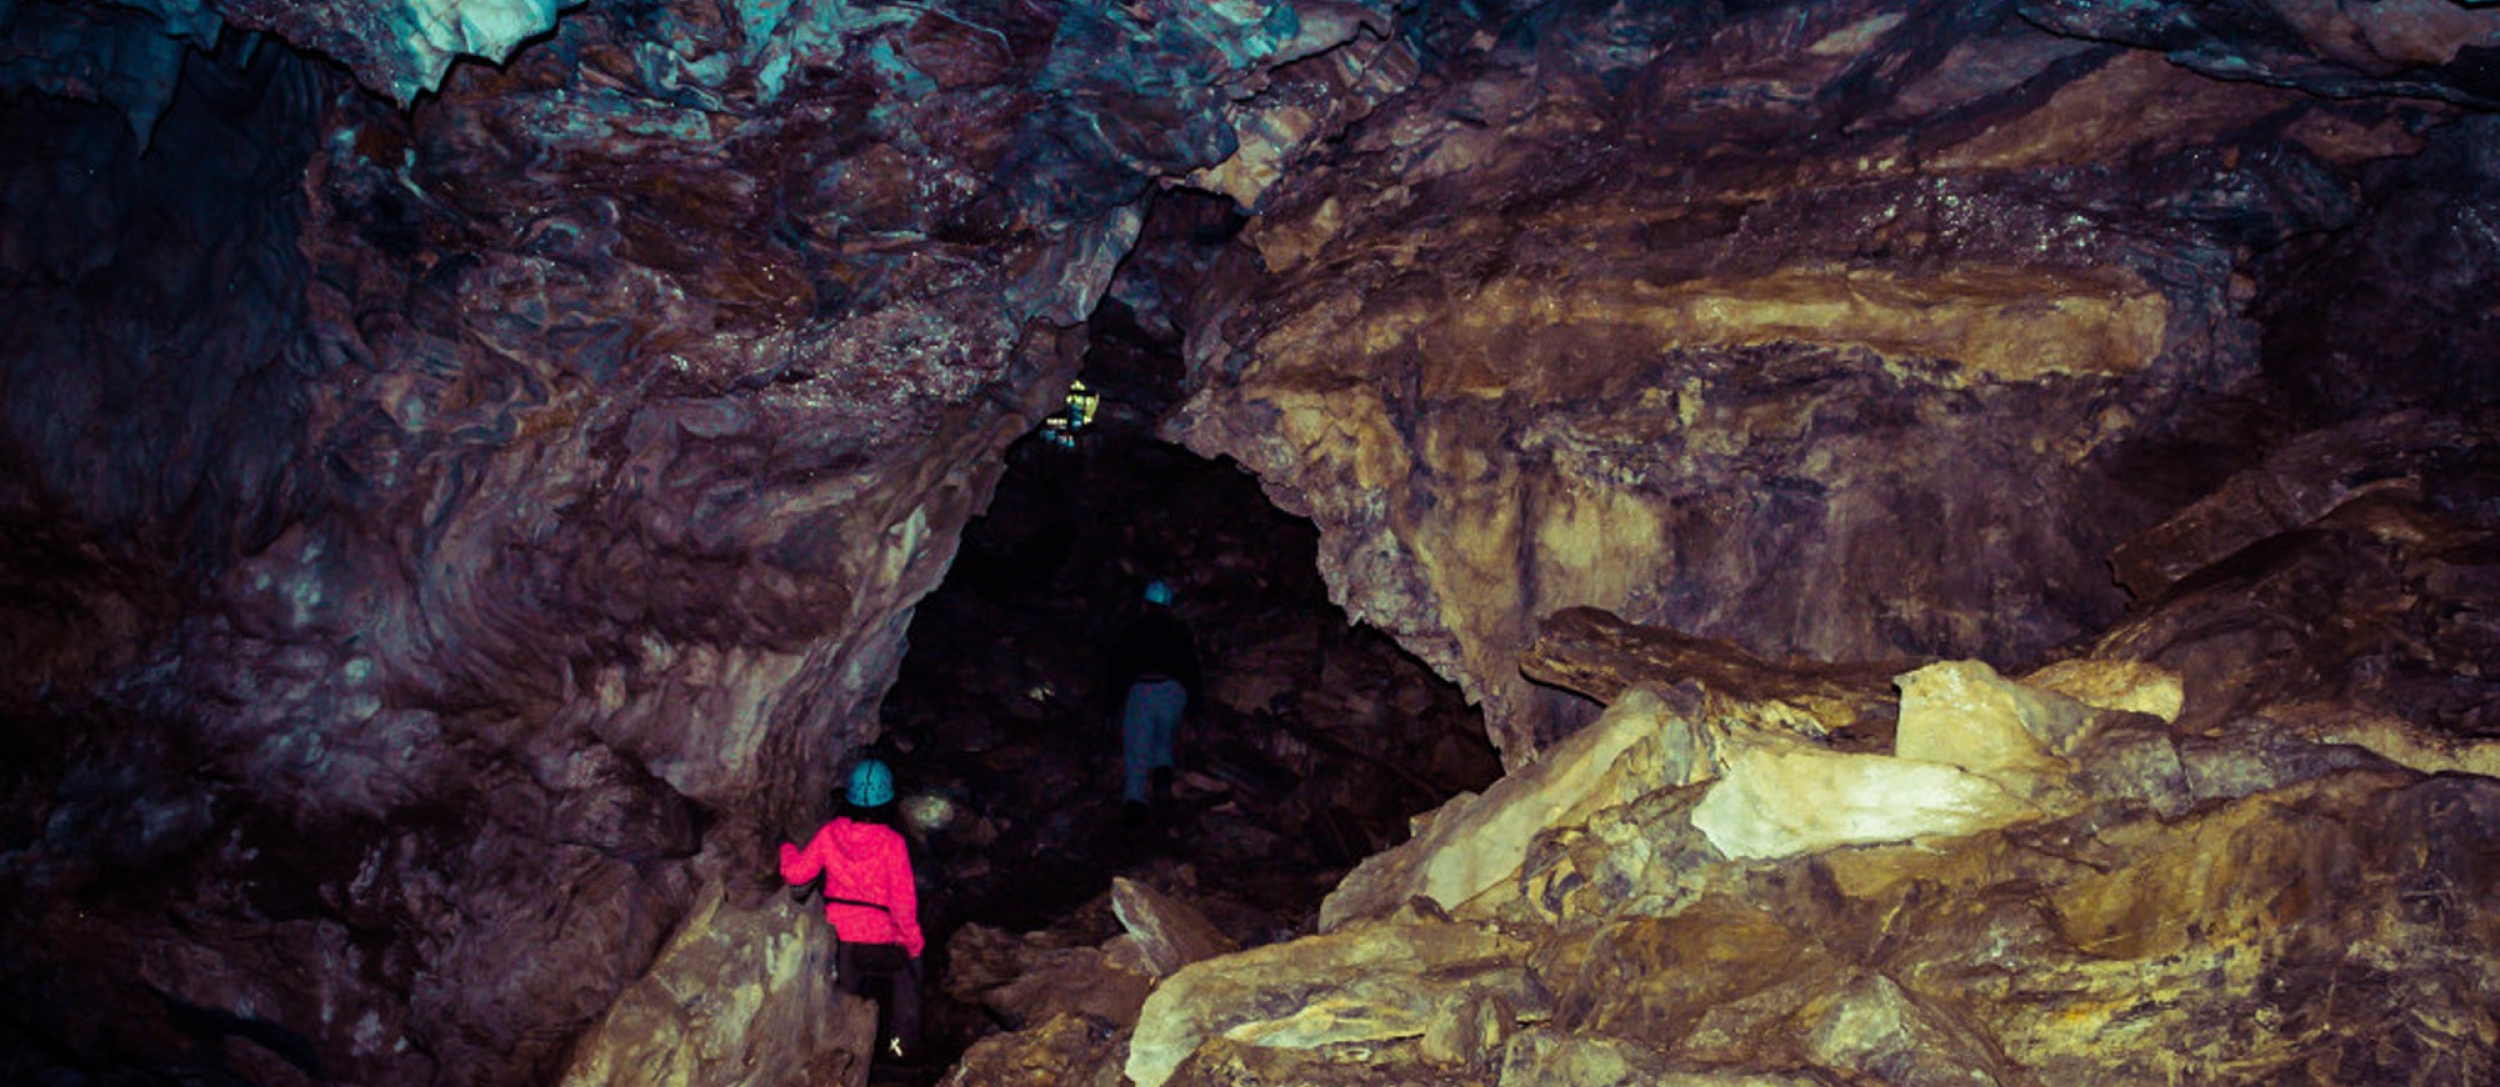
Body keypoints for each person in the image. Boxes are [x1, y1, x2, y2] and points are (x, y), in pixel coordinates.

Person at [780, 758, 925, 1062]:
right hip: (876, 942)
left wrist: (786, 848)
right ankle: (900, 1049)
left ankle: (837, 1059)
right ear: (888, 800)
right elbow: (903, 904)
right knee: (906, 980)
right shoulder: (892, 843)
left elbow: (796, 874)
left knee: (841, 1003)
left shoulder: (831, 833)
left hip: (836, 940)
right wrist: (913, 945)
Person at [1107, 579, 1201, 816]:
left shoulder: (1133, 630)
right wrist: (1194, 710)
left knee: (1137, 752)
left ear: (1145, 605)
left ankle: (1135, 809)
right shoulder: (1180, 631)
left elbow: (1120, 668)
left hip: (1144, 689)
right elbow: (1192, 669)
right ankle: (1163, 786)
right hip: (1174, 692)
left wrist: (1111, 704)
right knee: (1164, 744)